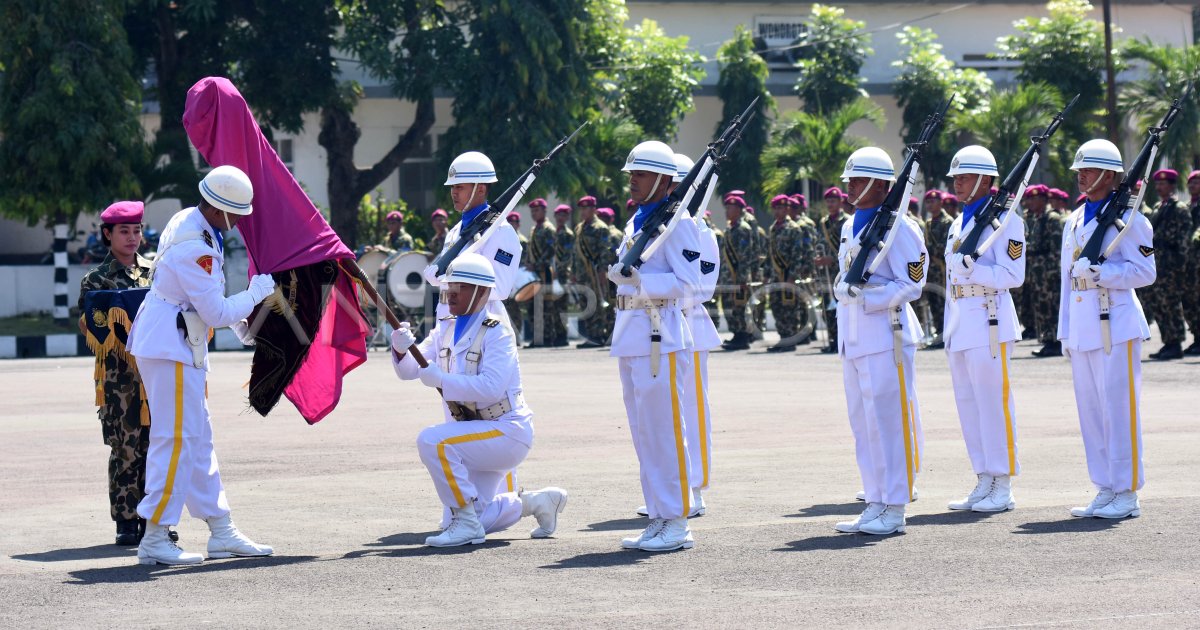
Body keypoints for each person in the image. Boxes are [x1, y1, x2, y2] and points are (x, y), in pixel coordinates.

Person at [128, 165, 277, 565]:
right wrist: (256, 293)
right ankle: (156, 535)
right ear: (219, 210)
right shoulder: (197, 246)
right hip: (172, 345)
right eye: (236, 216)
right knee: (176, 440)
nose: (238, 223)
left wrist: (242, 319)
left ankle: (221, 529)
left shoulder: (189, 220)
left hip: (176, 340)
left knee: (197, 439)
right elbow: (214, 311)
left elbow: (206, 305)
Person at [391, 253, 567, 547]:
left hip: (507, 431)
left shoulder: (498, 332)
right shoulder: (445, 326)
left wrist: (442, 381)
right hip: (476, 432)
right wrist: (400, 349)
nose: (450, 293)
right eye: (449, 286)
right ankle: (537, 502)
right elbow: (411, 370)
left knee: (432, 441)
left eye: (460, 287)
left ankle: (468, 524)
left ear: (482, 292)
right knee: (460, 518)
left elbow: (491, 388)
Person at [608, 140, 702, 551]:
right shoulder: (638, 221)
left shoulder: (681, 223)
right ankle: (658, 515)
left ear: (664, 181)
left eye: (641, 175)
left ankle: (678, 520)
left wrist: (641, 280)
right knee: (644, 432)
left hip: (659, 336)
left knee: (665, 432)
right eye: (631, 174)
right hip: (632, 332)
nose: (633, 181)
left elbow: (691, 283)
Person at [831, 147, 928, 536]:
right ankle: (875, 500)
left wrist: (868, 297)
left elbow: (913, 283)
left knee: (889, 423)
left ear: (881, 184)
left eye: (856, 180)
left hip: (887, 334)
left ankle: (895, 505)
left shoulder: (901, 227)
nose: (850, 186)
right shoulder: (851, 223)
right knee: (864, 425)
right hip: (853, 337)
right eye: (849, 180)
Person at [1059, 139, 1156, 519]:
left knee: (1119, 410)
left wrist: (1105, 273)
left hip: (1115, 322)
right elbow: (1066, 283)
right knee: (1092, 412)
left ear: (1112, 176)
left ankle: (1127, 491)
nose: (1081, 175)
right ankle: (1105, 486)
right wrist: (1064, 331)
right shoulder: (1075, 219)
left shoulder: (1131, 219)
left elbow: (1146, 272)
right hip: (1083, 324)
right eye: (1079, 169)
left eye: (1089, 169)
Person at [940, 146, 1025, 513]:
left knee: (994, 404)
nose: (957, 182)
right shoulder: (957, 222)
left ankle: (1002, 483)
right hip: (961, 322)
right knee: (969, 406)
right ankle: (984, 478)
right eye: (955, 177)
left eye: (965, 176)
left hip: (989, 320)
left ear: (986, 180)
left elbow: (1013, 275)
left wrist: (973, 269)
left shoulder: (1006, 221)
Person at [77, 200, 154, 546]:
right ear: (108, 235)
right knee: (125, 449)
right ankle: (125, 520)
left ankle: (155, 519)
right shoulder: (95, 280)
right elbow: (93, 327)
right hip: (119, 381)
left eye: (137, 230)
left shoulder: (156, 273)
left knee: (157, 448)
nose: (132, 237)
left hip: (155, 377)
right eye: (124, 231)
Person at [423, 152, 523, 325]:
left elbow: (500, 288)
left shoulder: (500, 232)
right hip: (447, 327)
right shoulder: (456, 231)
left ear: (481, 189)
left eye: (459, 187)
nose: (453, 192)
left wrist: (447, 280)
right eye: (452, 187)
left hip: (481, 330)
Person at [1142, 169, 1192, 360]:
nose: (1159, 187)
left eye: (1164, 183)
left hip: (1171, 265)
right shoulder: (1157, 207)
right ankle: (1168, 341)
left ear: (1172, 186)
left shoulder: (1179, 208)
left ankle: (1175, 343)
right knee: (1159, 304)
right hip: (1158, 263)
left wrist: (1180, 266)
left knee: (1170, 304)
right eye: (1158, 184)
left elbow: (1184, 239)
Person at [1026, 185, 1067, 357]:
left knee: (1053, 307)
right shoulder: (1037, 219)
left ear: (1043, 200)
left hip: (1049, 274)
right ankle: (1048, 340)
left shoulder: (1052, 219)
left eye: (1034, 199)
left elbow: (1057, 250)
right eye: (1029, 199)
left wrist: (1052, 274)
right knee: (1042, 308)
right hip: (1038, 274)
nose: (1030, 202)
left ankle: (1057, 342)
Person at [574, 195, 615, 348]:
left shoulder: (601, 228)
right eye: (581, 209)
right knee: (585, 304)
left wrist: (603, 270)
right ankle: (591, 335)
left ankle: (598, 336)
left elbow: (605, 251)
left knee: (596, 303)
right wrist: (573, 271)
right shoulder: (579, 228)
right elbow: (575, 251)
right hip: (581, 274)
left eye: (586, 208)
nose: (583, 212)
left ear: (593, 209)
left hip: (594, 273)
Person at [766, 195, 805, 352]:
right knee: (776, 307)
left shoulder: (794, 228)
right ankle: (783, 338)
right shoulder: (773, 228)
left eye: (781, 208)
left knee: (789, 309)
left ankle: (790, 340)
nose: (778, 211)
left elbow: (798, 255)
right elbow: (770, 254)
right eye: (776, 208)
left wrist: (792, 276)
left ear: (788, 209)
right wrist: (766, 274)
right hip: (775, 276)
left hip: (787, 275)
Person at [719, 194, 756, 351]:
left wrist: (741, 279)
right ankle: (736, 334)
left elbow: (745, 256)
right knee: (729, 306)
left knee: (739, 307)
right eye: (727, 208)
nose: (728, 211)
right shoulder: (729, 228)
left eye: (731, 208)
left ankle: (742, 337)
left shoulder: (743, 229)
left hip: (737, 277)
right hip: (728, 277)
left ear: (740, 210)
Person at [816, 187, 848, 353]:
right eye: (828, 201)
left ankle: (843, 341)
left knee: (843, 307)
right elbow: (818, 244)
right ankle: (833, 339)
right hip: (827, 274)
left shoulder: (848, 221)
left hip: (842, 272)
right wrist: (819, 259)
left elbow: (851, 249)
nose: (830, 204)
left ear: (841, 202)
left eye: (833, 200)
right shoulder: (823, 223)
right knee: (827, 310)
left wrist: (833, 259)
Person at [524, 198, 559, 348]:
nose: (534, 213)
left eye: (536, 210)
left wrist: (535, 265)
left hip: (544, 273)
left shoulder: (548, 229)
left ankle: (547, 338)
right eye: (532, 211)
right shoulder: (534, 229)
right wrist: (528, 263)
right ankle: (537, 337)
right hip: (534, 274)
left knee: (545, 306)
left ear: (544, 211)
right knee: (533, 306)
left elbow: (550, 251)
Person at [925, 189, 954, 349]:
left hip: (942, 269)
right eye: (928, 202)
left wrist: (930, 249)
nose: (930, 205)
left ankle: (947, 334)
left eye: (933, 201)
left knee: (944, 301)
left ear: (941, 202)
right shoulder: (929, 223)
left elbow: (946, 246)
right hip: (931, 270)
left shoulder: (947, 222)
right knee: (933, 301)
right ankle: (939, 333)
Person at [788, 194, 818, 344]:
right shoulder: (794, 224)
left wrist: (807, 268)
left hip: (805, 268)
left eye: (793, 207)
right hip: (801, 267)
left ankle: (809, 332)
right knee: (802, 302)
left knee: (806, 301)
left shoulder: (805, 224)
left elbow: (809, 248)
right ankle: (807, 331)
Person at [503, 212, 529, 341]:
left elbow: (525, 260)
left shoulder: (523, 241)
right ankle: (510, 337)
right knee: (507, 308)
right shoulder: (503, 240)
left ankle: (517, 336)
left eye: (515, 223)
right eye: (510, 223)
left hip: (519, 279)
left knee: (517, 309)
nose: (513, 225)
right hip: (506, 278)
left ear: (518, 225)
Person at [551, 204, 574, 347]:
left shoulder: (568, 234)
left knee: (561, 307)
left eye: (564, 215)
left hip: (562, 275)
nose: (560, 218)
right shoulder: (553, 232)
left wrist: (560, 272)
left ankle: (562, 336)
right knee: (554, 307)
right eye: (558, 215)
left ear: (567, 217)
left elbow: (569, 256)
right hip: (552, 274)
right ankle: (557, 334)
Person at [1185, 171, 1200, 356]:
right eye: (1191, 182)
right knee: (1189, 302)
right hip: (1188, 263)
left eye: (1197, 182)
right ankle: (1197, 338)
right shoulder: (1187, 207)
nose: (1193, 185)